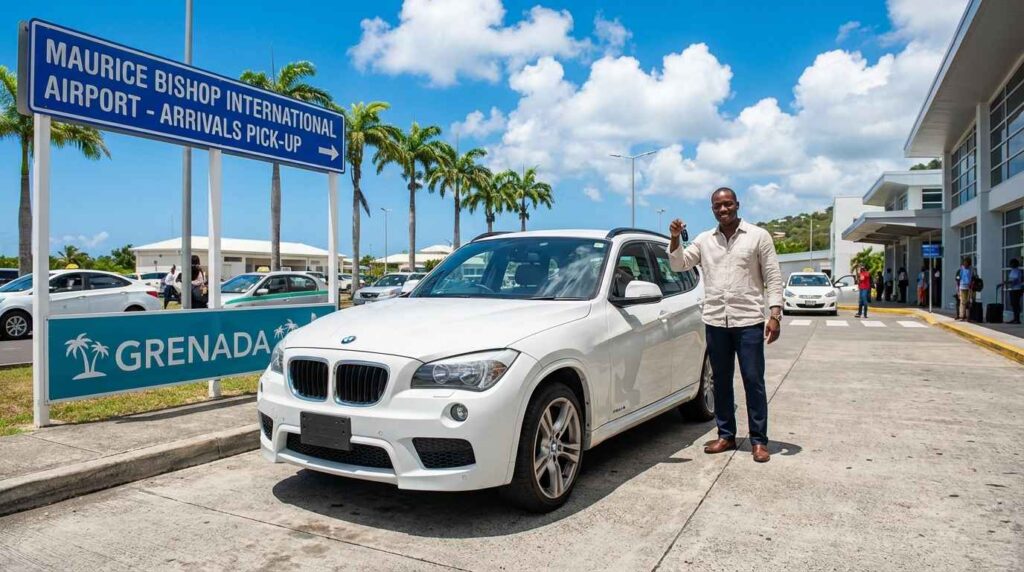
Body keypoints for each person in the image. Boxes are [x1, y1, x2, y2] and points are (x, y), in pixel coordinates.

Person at [667, 187, 783, 464]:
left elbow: (773, 276)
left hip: (749, 321)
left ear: (737, 205)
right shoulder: (705, 240)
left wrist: (775, 314)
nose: (723, 209)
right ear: (712, 209)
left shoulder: (758, 236)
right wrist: (674, 238)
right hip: (716, 320)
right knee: (720, 381)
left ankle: (758, 441)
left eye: (727, 204)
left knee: (753, 381)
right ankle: (726, 435)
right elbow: (680, 263)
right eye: (717, 206)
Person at [1005, 258, 1022, 324]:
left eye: (1011, 263)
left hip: (1017, 289)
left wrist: (1008, 282)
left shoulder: (1017, 271)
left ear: (1014, 264)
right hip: (1013, 289)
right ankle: (1015, 318)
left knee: (1016, 304)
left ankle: (1017, 319)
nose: (1010, 265)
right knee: (1013, 304)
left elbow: (1015, 280)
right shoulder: (1012, 271)